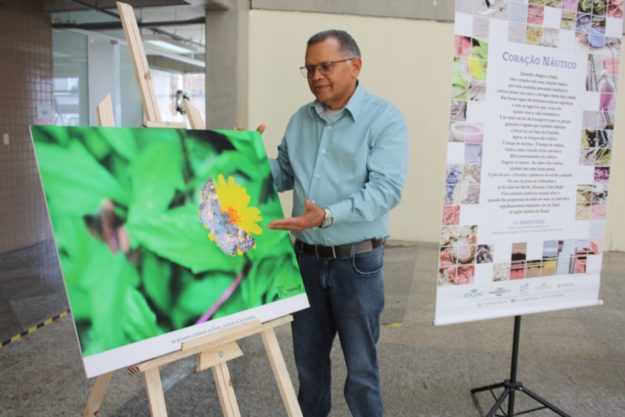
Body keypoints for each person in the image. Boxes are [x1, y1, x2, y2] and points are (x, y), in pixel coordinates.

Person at [267, 29, 409, 417]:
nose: (316, 76)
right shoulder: (300, 120)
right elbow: (283, 174)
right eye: (310, 68)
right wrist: (242, 155)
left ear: (355, 65)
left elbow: (386, 190)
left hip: (357, 264)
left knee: (361, 372)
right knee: (308, 368)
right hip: (305, 262)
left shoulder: (384, 119)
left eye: (326, 66)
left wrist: (328, 215)